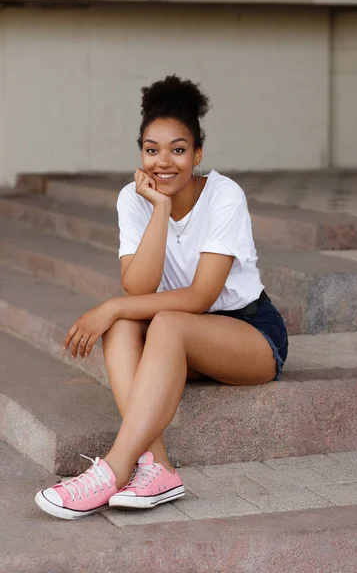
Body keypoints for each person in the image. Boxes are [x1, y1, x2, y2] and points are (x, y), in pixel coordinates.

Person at [34, 75, 288, 520]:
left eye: (178, 149)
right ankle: (159, 468)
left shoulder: (225, 196)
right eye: (152, 150)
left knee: (152, 318)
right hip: (179, 336)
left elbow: (200, 295)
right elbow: (139, 286)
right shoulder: (134, 199)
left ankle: (114, 468)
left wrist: (109, 306)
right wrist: (161, 209)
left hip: (248, 333)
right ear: (141, 154)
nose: (163, 162)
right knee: (127, 325)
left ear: (198, 154)